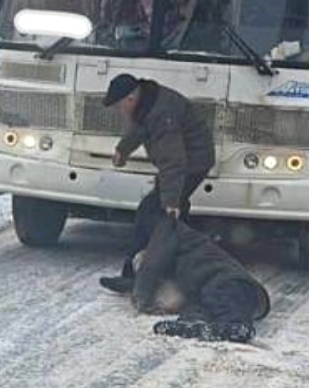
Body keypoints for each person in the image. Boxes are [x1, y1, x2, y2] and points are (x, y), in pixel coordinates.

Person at [99, 74, 216, 294]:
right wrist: (123, 149)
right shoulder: (147, 103)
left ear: (130, 99)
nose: (119, 111)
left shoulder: (160, 113)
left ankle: (138, 276)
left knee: (152, 212)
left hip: (193, 162)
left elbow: (173, 160)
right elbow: (139, 129)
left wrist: (171, 201)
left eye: (118, 106)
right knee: (168, 217)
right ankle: (175, 270)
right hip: (185, 162)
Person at [131, 213, 270, 343]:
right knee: (200, 306)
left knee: (218, 295)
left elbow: (151, 265)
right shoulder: (183, 267)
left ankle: (236, 325)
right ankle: (194, 325)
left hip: (234, 284)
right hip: (239, 293)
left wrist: (142, 296)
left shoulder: (169, 229)